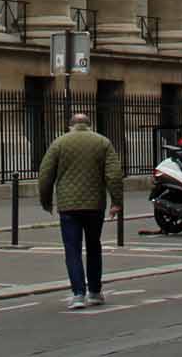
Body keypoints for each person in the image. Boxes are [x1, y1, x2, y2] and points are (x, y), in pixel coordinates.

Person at [37, 112, 122, 311]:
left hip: (68, 206)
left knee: (72, 249)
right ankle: (95, 292)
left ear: (70, 126)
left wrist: (46, 200)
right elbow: (114, 174)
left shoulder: (59, 143)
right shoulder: (103, 142)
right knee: (94, 247)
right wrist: (116, 202)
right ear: (89, 125)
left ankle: (77, 294)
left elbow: (45, 174)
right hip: (95, 205)